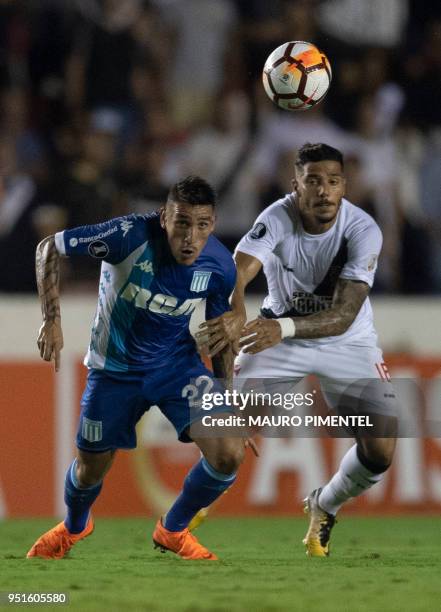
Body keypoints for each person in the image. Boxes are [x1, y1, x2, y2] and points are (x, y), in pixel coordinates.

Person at [27, 175, 255, 561]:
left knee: (229, 452)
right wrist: (51, 318)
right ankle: (75, 526)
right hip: (114, 369)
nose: (190, 237)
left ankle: (173, 529)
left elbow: (219, 338)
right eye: (182, 222)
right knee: (89, 470)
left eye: (201, 225)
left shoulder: (219, 266)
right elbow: (49, 247)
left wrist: (227, 397)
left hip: (176, 367)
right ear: (164, 217)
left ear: (213, 224)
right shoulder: (127, 236)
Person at [199, 143, 398, 557]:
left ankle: (325, 504)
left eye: (332, 181)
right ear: (296, 185)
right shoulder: (276, 217)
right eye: (313, 181)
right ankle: (182, 519)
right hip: (277, 340)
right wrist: (235, 314)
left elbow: (343, 315)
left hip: (346, 341)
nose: (323, 191)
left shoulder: (363, 230)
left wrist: (283, 327)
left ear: (344, 185)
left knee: (380, 449)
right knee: (226, 434)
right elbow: (238, 273)